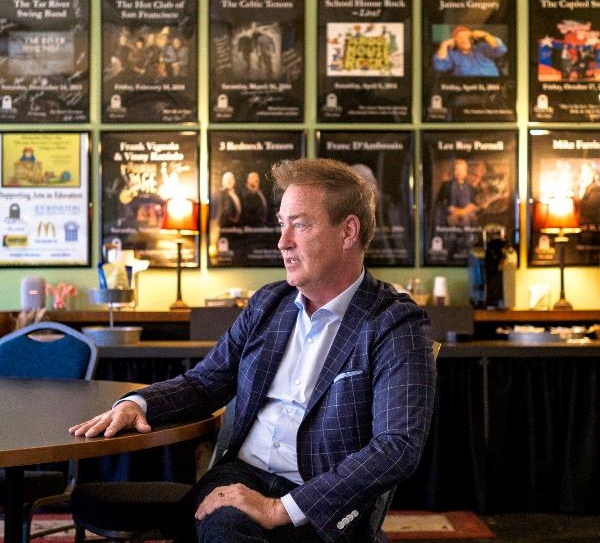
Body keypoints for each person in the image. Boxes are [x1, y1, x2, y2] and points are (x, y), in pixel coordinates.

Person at [70, 158, 436, 543]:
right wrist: (139, 404)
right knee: (222, 518)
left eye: (300, 225)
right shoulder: (268, 304)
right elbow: (204, 384)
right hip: (241, 476)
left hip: (320, 497)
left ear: (348, 231)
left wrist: (279, 508)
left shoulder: (395, 323)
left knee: (223, 526)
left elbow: (397, 446)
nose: (283, 242)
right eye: (282, 224)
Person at [433, 25, 507, 77]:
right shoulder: (452, 54)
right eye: (459, 37)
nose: (464, 39)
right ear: (454, 42)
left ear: (471, 40)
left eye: (466, 36)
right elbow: (440, 66)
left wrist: (486, 36)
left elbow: (501, 49)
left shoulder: (482, 47)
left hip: (492, 86)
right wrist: (444, 45)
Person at [434, 158, 479, 227]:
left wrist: (464, 212)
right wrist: (454, 211)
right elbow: (441, 204)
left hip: (466, 222)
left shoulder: (470, 187)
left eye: (461, 170)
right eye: (456, 170)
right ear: (453, 171)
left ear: (465, 172)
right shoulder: (446, 186)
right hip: (450, 222)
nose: (458, 173)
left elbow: (474, 204)